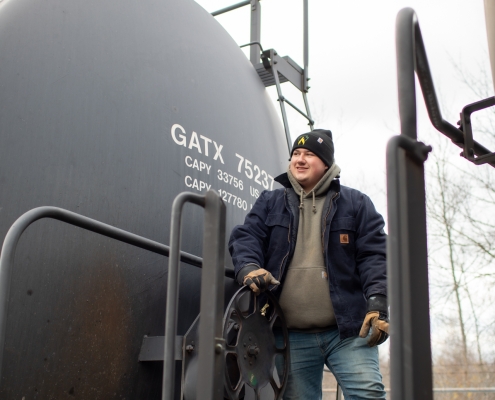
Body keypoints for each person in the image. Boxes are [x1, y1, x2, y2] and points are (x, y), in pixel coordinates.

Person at [228, 129, 389, 399]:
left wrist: (378, 302)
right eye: (296, 154)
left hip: (347, 332)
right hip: (290, 335)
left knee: (368, 394)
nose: (300, 159)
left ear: (326, 163)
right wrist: (248, 266)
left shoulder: (356, 204)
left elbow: (374, 255)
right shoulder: (270, 202)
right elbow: (247, 236)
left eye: (310, 154)